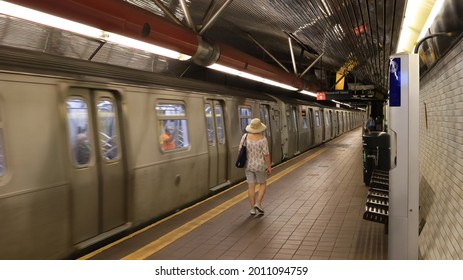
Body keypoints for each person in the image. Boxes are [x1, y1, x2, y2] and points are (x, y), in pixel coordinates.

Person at [239, 118, 272, 215]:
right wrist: (269, 166)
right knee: (262, 184)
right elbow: (266, 154)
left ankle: (252, 208)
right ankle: (258, 203)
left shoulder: (245, 137)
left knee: (251, 186)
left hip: (248, 165)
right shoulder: (262, 139)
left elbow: (240, 150)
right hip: (260, 165)